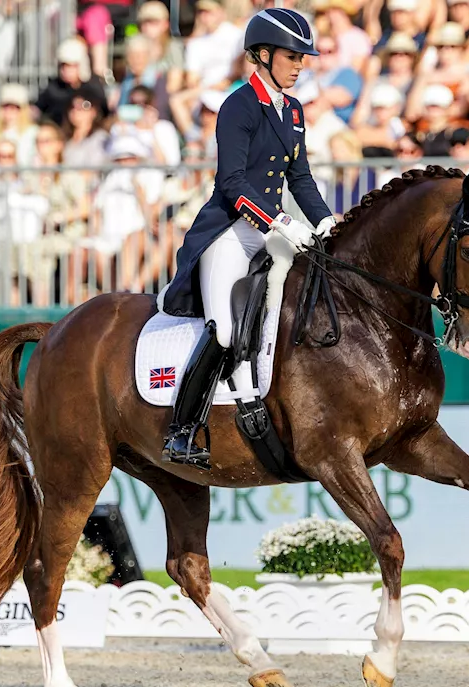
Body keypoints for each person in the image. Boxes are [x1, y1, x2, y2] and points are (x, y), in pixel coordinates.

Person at [157, 7, 336, 467]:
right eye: (292, 56)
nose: (300, 65)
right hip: (231, 235)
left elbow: (301, 177)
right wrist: (279, 222)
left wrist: (325, 221)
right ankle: (182, 429)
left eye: (303, 58)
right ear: (262, 54)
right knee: (224, 331)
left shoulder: (293, 111)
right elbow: (233, 184)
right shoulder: (237, 106)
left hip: (273, 232)